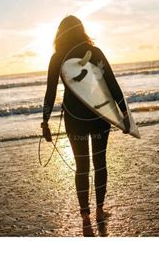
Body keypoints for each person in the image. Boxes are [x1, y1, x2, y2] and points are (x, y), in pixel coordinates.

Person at [41, 15, 130, 236]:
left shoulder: (57, 58)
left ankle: (85, 215)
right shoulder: (95, 53)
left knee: (82, 166)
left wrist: (45, 121)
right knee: (100, 163)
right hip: (98, 115)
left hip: (75, 119)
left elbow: (50, 92)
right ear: (81, 30)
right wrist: (124, 114)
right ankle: (99, 210)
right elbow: (111, 83)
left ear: (60, 33)